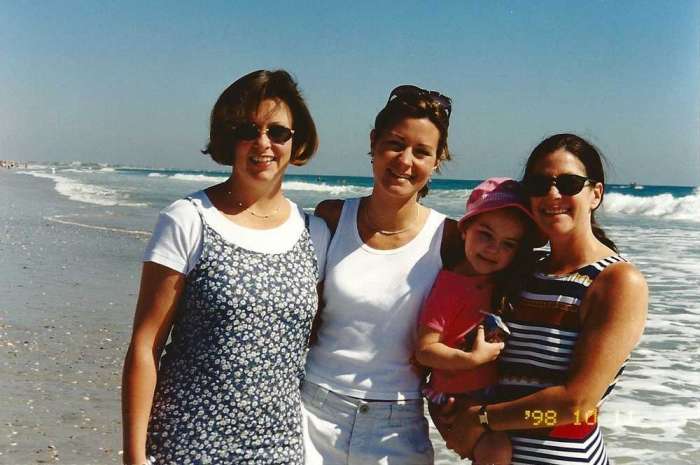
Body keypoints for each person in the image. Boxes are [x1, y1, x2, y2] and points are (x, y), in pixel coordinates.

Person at [121, 69, 330, 465]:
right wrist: (134, 456)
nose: (263, 143)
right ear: (227, 138)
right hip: (186, 446)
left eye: (278, 132)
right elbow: (146, 346)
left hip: (280, 450)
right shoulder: (188, 220)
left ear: (296, 141)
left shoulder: (314, 232)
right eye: (248, 130)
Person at [440, 134, 648, 465]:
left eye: (569, 183)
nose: (553, 194)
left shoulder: (616, 282)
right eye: (539, 183)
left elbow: (576, 405)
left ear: (596, 194)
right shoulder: (521, 271)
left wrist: (482, 419)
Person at [301, 85, 463, 464]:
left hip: (398, 422)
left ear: (437, 161)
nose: (405, 160)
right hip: (311, 411)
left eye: (422, 152)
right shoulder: (332, 217)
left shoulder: (450, 238)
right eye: (395, 143)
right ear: (374, 143)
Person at [416, 177, 541, 465]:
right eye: (485, 234)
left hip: (489, 394)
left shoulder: (497, 280)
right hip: (456, 397)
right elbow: (425, 349)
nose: (493, 249)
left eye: (508, 244)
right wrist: (472, 360)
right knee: (496, 451)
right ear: (465, 229)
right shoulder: (451, 286)